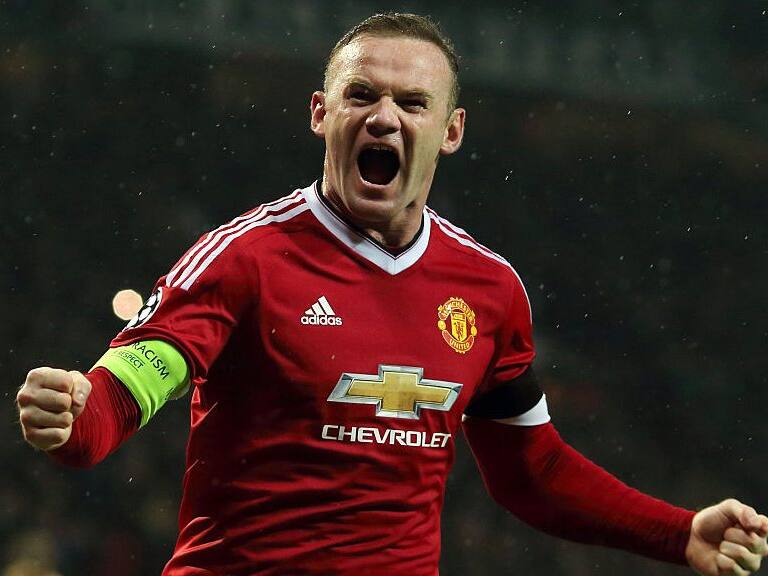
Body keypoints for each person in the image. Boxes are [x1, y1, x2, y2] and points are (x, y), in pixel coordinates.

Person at [16, 12, 768, 576]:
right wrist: (80, 417)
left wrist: (679, 533)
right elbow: (134, 383)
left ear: (451, 130)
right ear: (322, 113)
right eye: (362, 95)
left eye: (412, 103)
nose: (384, 116)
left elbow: (530, 472)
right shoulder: (243, 258)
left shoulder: (490, 291)